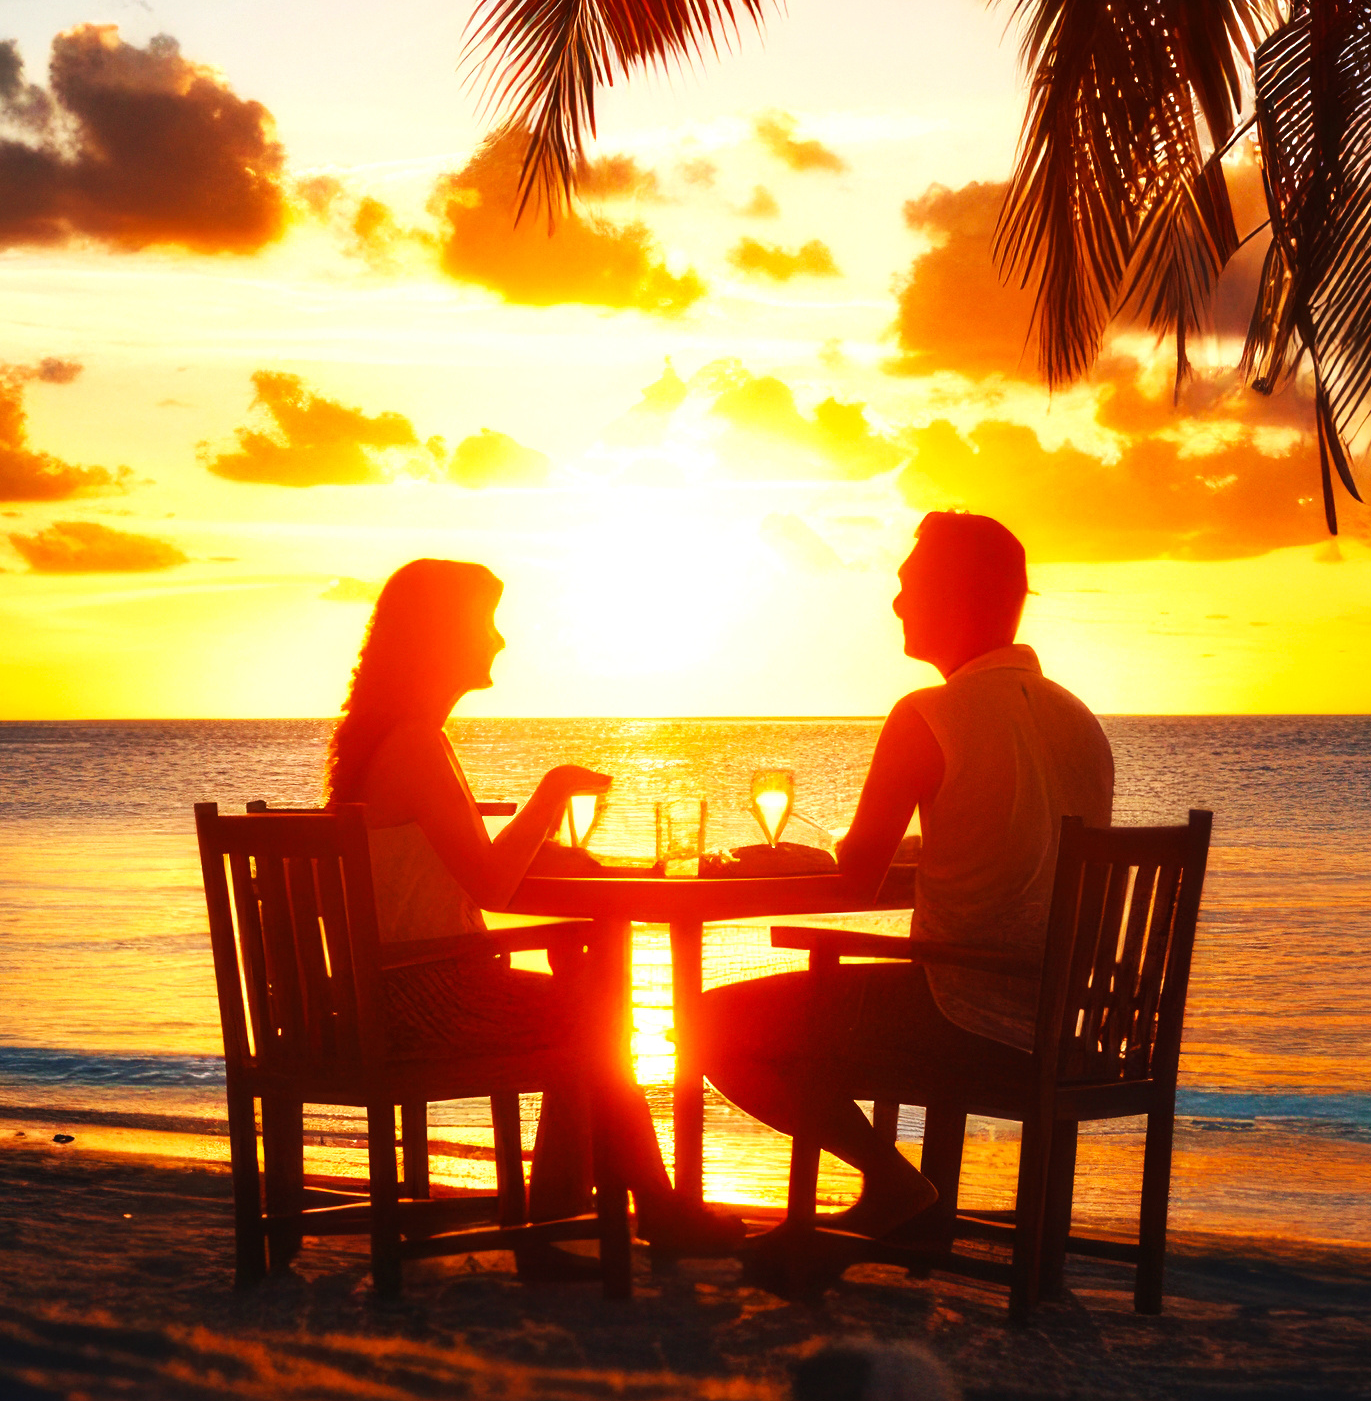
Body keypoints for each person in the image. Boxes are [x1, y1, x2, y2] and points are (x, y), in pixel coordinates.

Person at [699, 511, 1112, 1298]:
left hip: (960, 1012)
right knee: (796, 1011)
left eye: (908, 586)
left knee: (713, 1023)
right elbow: (1022, 852)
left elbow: (853, 879)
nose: (894, 604)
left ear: (957, 597)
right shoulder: (1077, 719)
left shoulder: (927, 713)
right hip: (1056, 1018)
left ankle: (894, 1186)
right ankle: (902, 1199)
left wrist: (756, 865)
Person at [328, 559, 743, 1260]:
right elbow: (491, 887)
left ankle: (579, 1217)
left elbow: (451, 862)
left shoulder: (391, 738)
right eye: (485, 622)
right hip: (425, 999)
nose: (499, 641)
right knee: (597, 1012)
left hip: (381, 994)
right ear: (441, 636)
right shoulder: (414, 743)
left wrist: (542, 847)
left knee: (586, 1003)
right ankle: (649, 1211)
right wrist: (551, 793)